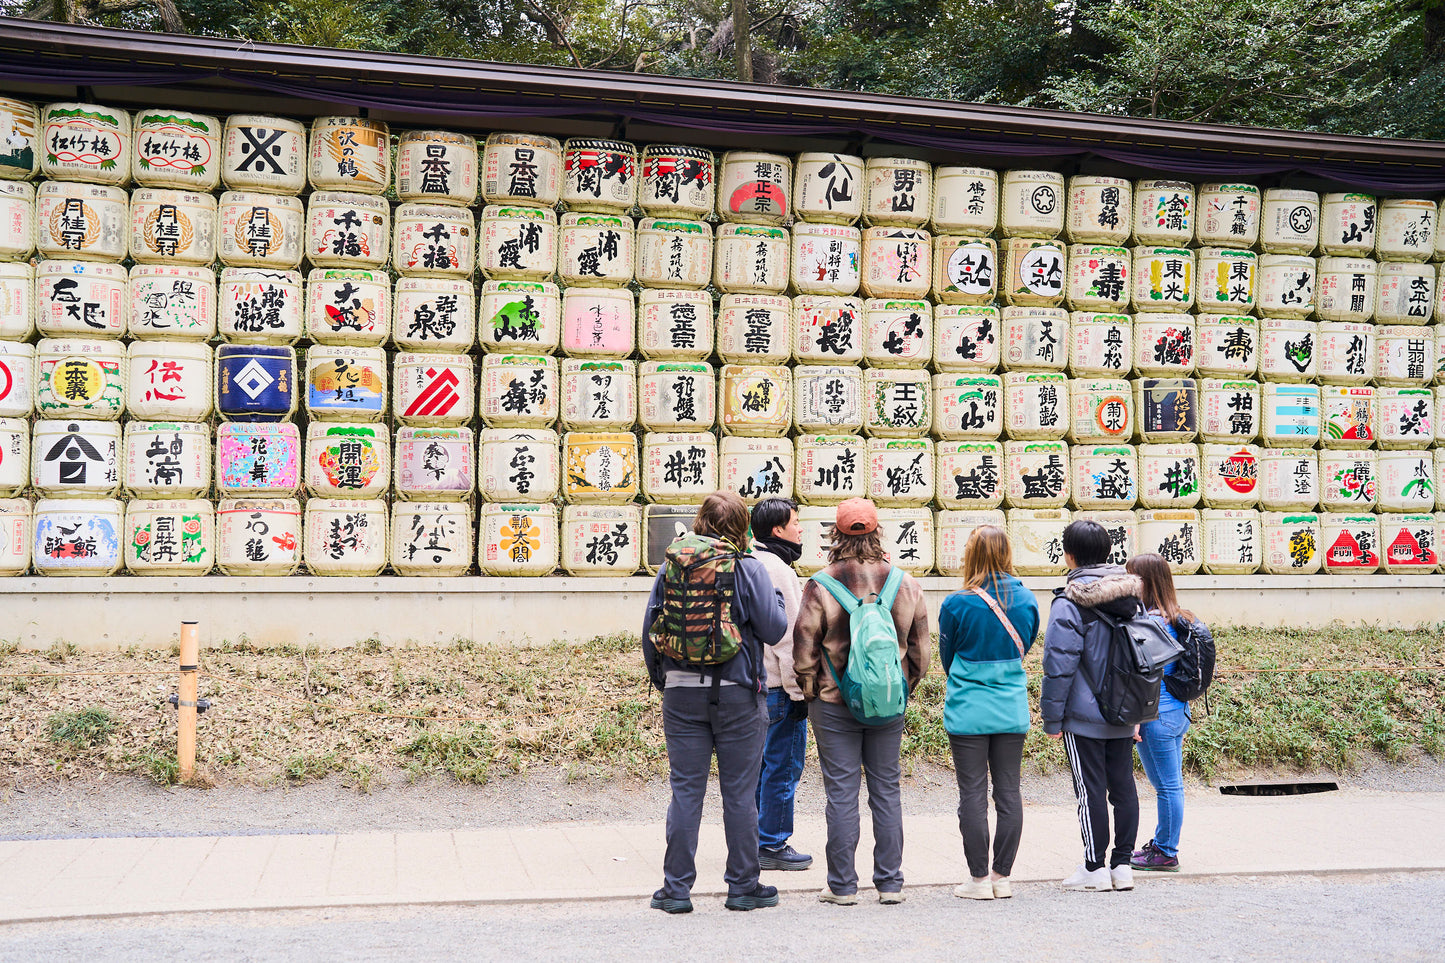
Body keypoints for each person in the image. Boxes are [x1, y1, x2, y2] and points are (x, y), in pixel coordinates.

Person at [642, 491, 788, 914]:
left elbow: (650, 628)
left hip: (681, 694)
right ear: (743, 527)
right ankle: (743, 887)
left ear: (700, 523)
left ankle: (675, 890)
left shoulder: (672, 567)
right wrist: (775, 601)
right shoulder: (749, 568)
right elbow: (775, 629)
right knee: (740, 794)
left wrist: (666, 682)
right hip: (738, 694)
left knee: (685, 791)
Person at [793, 498, 931, 906]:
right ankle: (890, 884)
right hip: (889, 705)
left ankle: (842, 886)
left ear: (836, 533)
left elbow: (804, 650)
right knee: (886, 790)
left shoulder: (821, 584)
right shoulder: (905, 583)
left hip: (834, 703)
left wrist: (812, 691)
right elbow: (922, 653)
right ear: (877, 532)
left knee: (841, 792)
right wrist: (900, 688)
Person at [1040, 519, 1144, 893]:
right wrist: (1139, 713)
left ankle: (1094, 867)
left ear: (1069, 555)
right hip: (1125, 711)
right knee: (1124, 788)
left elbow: (1059, 664)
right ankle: (1123, 866)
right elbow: (1144, 659)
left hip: (1083, 717)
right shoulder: (1133, 598)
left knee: (1090, 792)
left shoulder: (1069, 602)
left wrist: (1052, 718)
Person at [937, 525, 1040, 901]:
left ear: (971, 555)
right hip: (1011, 707)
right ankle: (1002, 876)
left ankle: (978, 879)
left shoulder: (956, 604)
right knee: (1009, 792)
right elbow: (1024, 646)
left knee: (973, 794)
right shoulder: (1027, 600)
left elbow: (947, 659)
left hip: (968, 709)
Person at [1127, 552, 1212, 873]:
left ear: (1143, 582)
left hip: (1155, 718)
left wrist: (1134, 721)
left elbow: (1143, 677)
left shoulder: (1149, 624)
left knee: (1167, 787)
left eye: (1132, 577)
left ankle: (1165, 851)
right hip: (1177, 714)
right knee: (1171, 784)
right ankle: (1163, 843)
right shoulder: (1180, 618)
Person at [749, 497, 812, 871]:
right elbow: (789, 639)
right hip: (778, 689)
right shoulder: (778, 571)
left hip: (752, 686)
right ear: (778, 530)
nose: (800, 528)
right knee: (782, 768)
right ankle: (772, 843)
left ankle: (756, 838)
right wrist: (798, 690)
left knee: (760, 768)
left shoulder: (750, 562)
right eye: (796, 522)